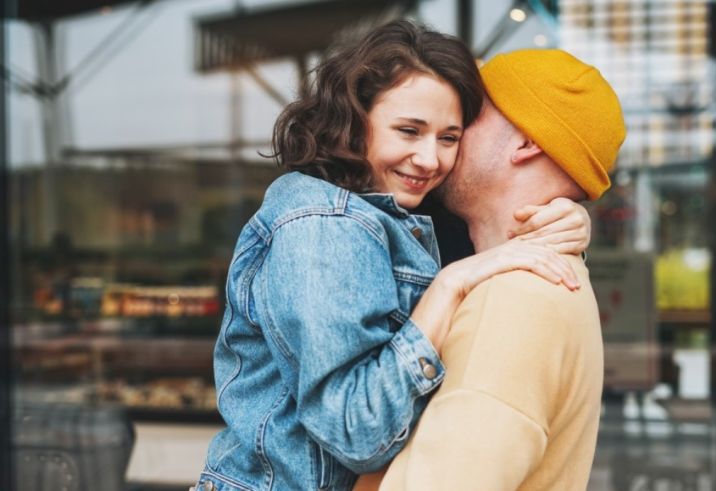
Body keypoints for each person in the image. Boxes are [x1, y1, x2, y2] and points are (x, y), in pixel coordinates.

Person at [194, 22, 592, 491]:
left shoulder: (400, 209)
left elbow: (492, 199)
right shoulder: (323, 223)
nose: (429, 159)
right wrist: (447, 288)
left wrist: (566, 213)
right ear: (354, 117)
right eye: (409, 130)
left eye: (449, 138)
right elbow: (357, 434)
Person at [356, 48, 627, 491]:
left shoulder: (513, 303)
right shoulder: (546, 275)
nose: (449, 130)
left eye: (468, 112)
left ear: (526, 143)